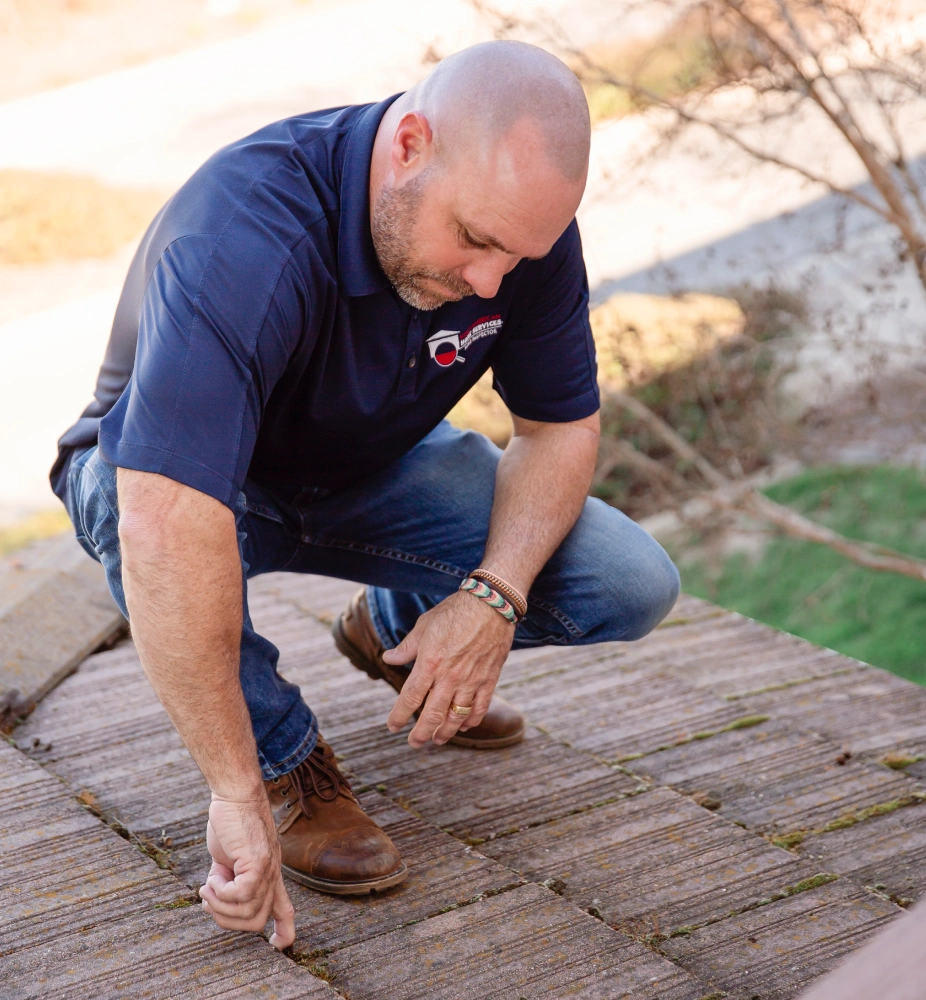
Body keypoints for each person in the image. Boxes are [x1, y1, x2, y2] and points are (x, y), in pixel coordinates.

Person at [51, 40, 680, 950]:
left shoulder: (518, 228)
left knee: (628, 581)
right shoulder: (242, 234)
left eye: (518, 256)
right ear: (410, 145)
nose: (489, 283)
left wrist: (492, 595)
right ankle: (283, 763)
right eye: (476, 242)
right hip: (184, 482)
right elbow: (168, 515)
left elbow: (559, 430)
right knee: (133, 501)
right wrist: (232, 790)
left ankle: (395, 633)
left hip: (370, 469)